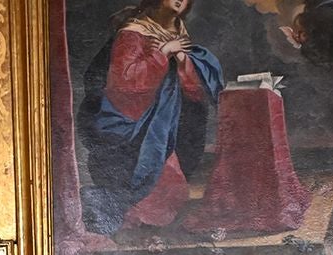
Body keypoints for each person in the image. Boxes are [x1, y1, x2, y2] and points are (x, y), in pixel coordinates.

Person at [77, 0, 224, 237]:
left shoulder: (179, 33)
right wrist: (162, 54)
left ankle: (152, 221)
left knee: (172, 185)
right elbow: (126, 83)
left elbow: (196, 91)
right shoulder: (134, 33)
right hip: (132, 120)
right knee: (158, 184)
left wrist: (182, 59)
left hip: (167, 121)